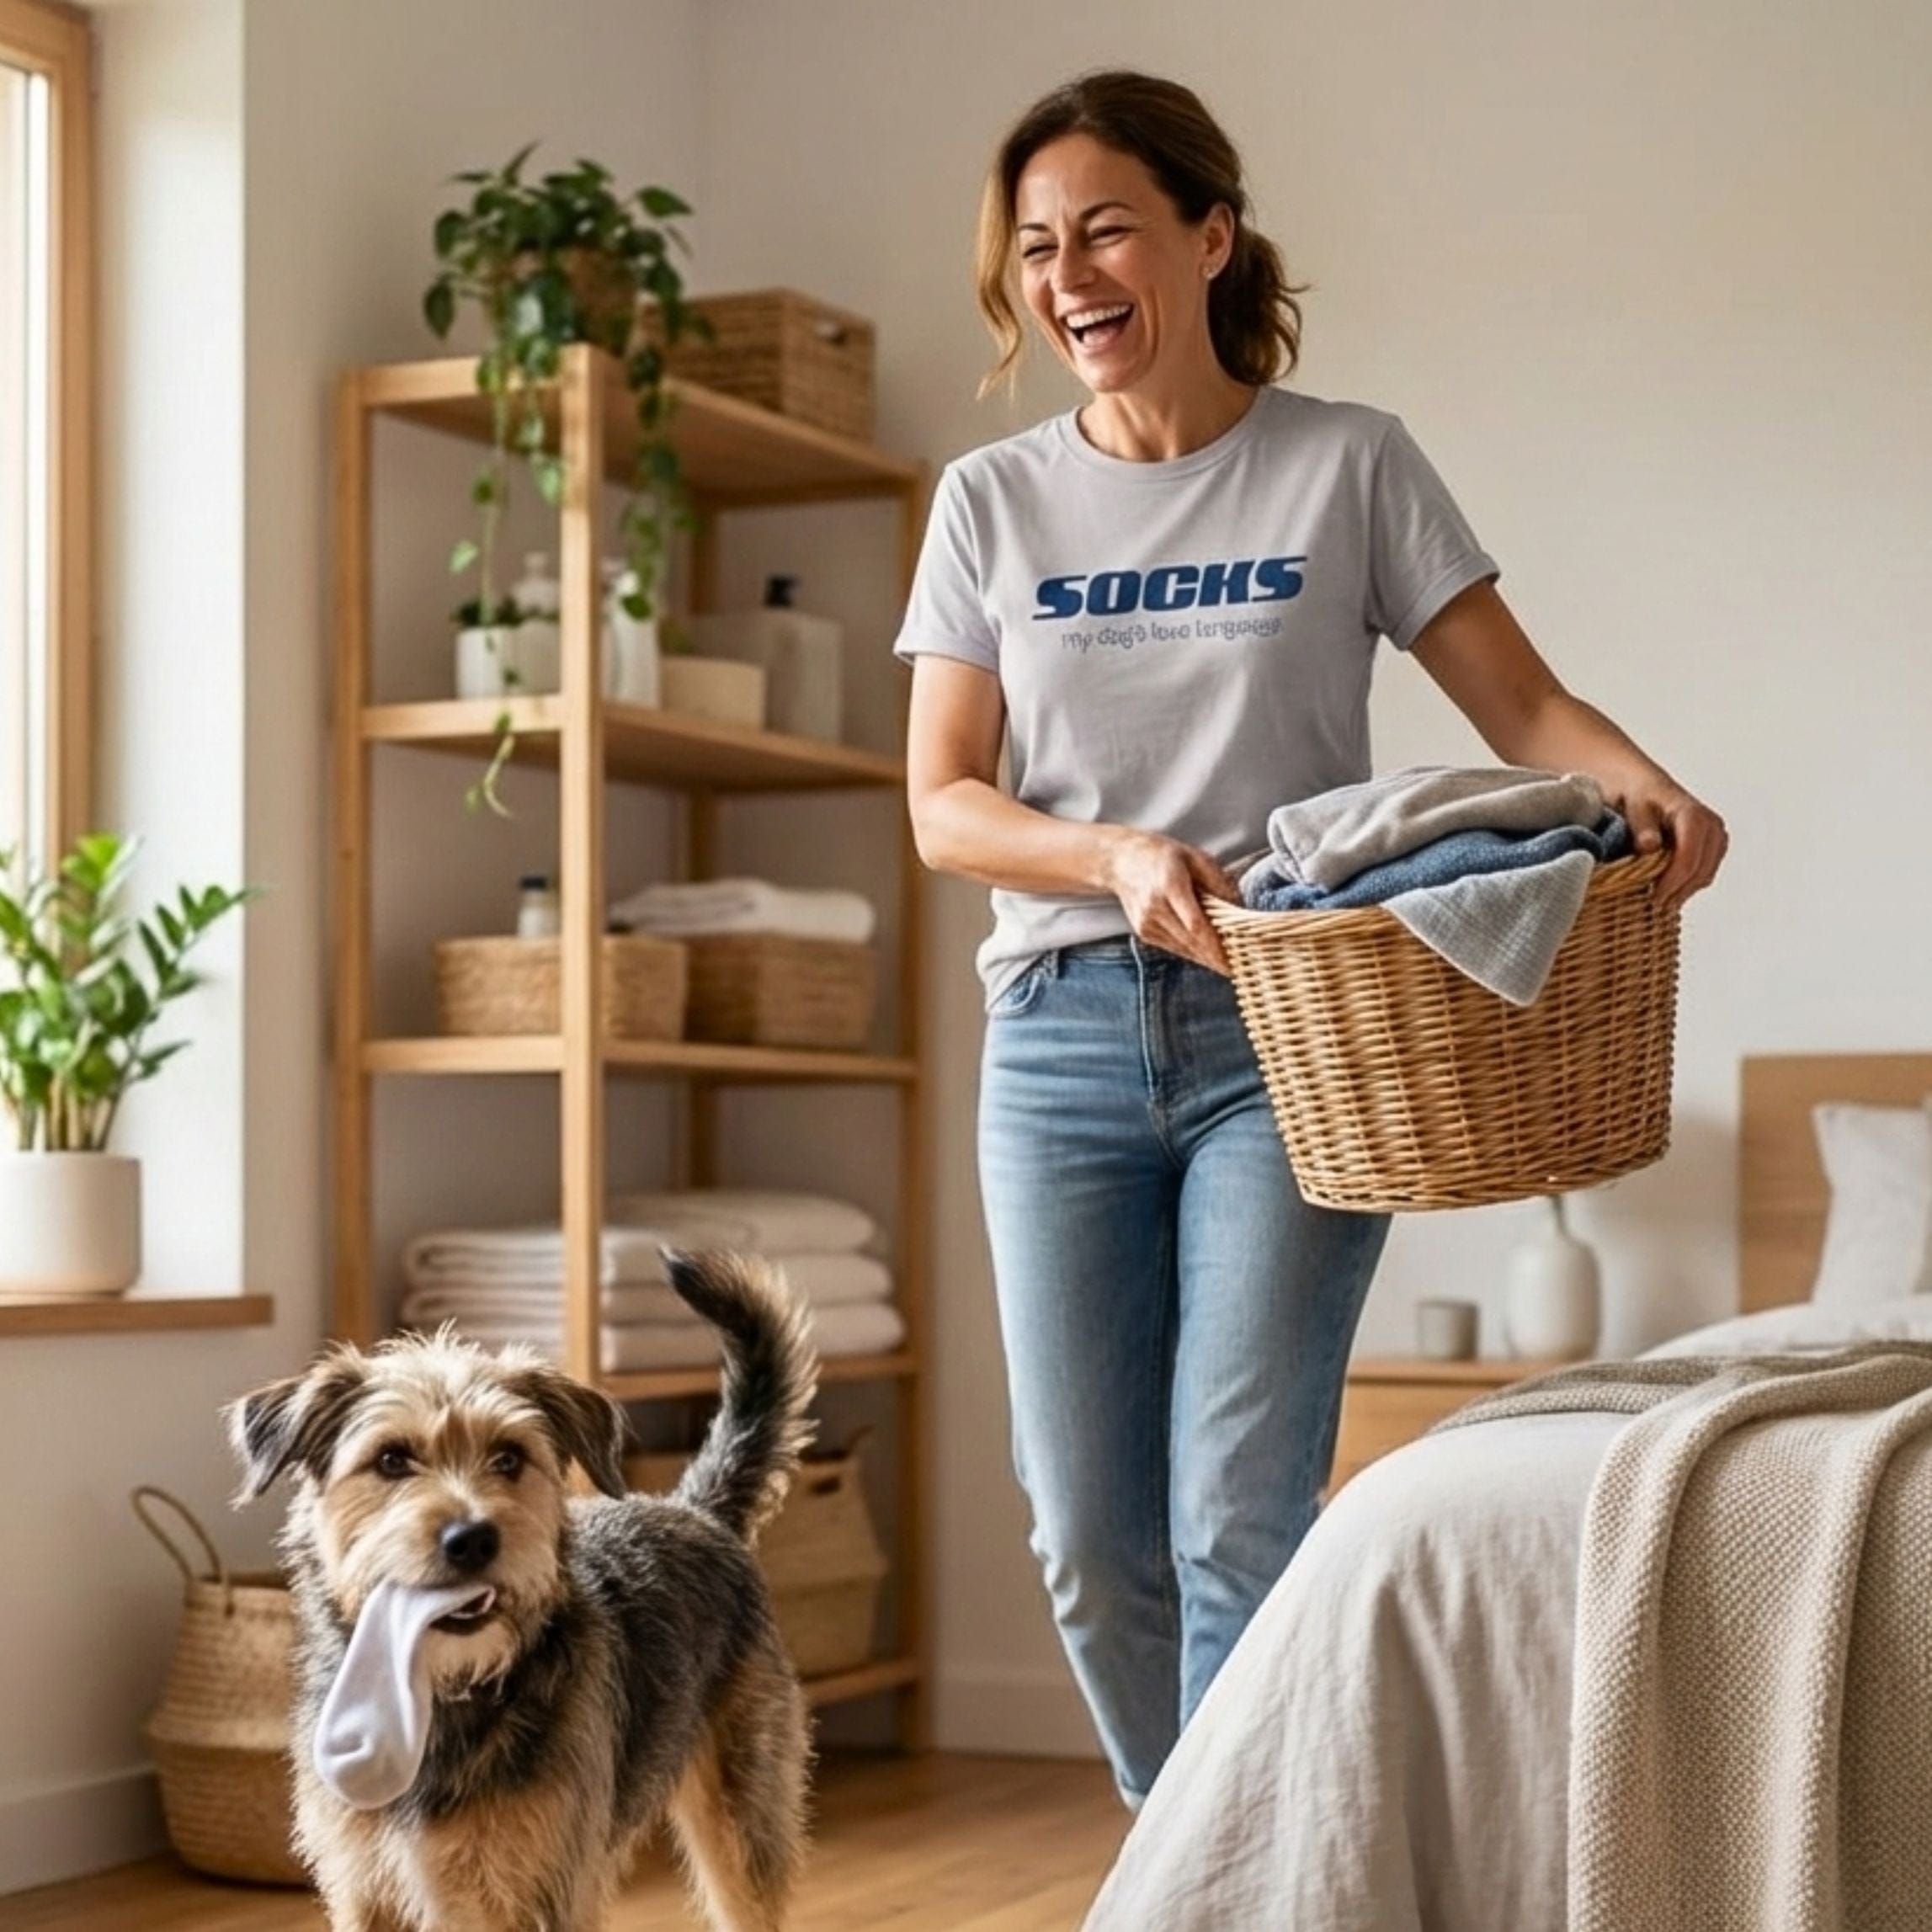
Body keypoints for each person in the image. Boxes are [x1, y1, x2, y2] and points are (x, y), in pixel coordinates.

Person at [892, 68, 1727, 1810]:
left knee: (1230, 1511)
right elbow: (943, 803)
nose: (1066, 274)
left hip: (1288, 1036)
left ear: (1208, 236)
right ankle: (1203, 1846)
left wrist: (1653, 788)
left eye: (1104, 226)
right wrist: (1110, 852)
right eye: (1035, 247)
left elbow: (1521, 701)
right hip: (1051, 1030)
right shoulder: (990, 503)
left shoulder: (1343, 462)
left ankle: (1213, 1890)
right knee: (1082, 1533)